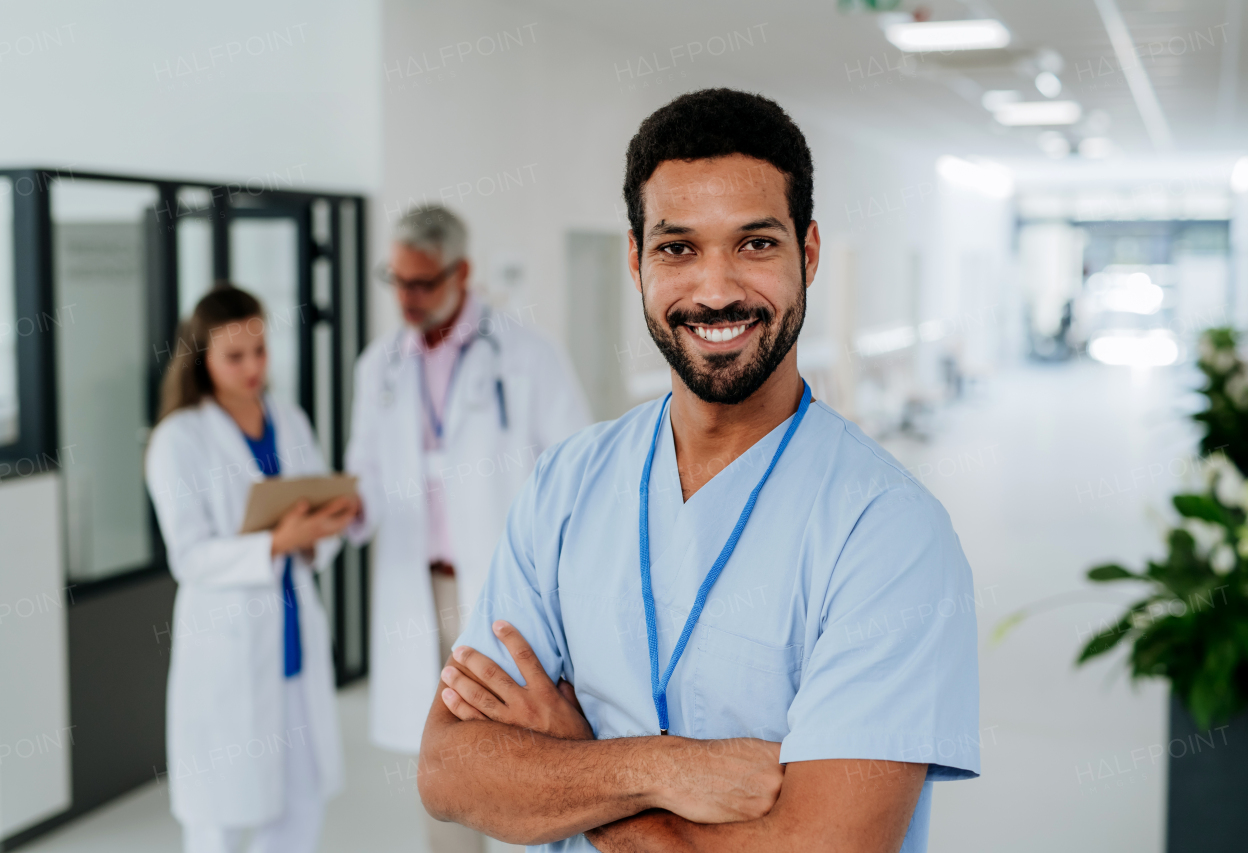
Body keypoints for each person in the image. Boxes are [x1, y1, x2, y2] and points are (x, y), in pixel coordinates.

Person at [418, 89, 980, 853]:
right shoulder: (567, 484)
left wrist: (570, 758)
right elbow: (450, 770)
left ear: (807, 254)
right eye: (677, 248)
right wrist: (662, 769)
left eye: (755, 245)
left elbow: (824, 848)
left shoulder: (888, 533)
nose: (715, 290)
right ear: (635, 259)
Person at [344, 205, 590, 851]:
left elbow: (572, 471)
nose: (406, 297)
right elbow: (365, 465)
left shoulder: (527, 353)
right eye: (396, 280)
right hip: (415, 579)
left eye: (421, 283)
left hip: (498, 584)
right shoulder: (379, 366)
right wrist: (351, 505)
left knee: (511, 742)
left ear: (463, 272)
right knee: (437, 752)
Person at [146, 284, 359, 853]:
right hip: (226, 645)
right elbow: (188, 556)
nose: (252, 368)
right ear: (202, 358)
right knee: (217, 814)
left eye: (260, 351)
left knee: (299, 800)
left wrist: (323, 527)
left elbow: (309, 511)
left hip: (291, 639)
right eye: (234, 357)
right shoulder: (178, 439)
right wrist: (273, 544)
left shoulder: (286, 418)